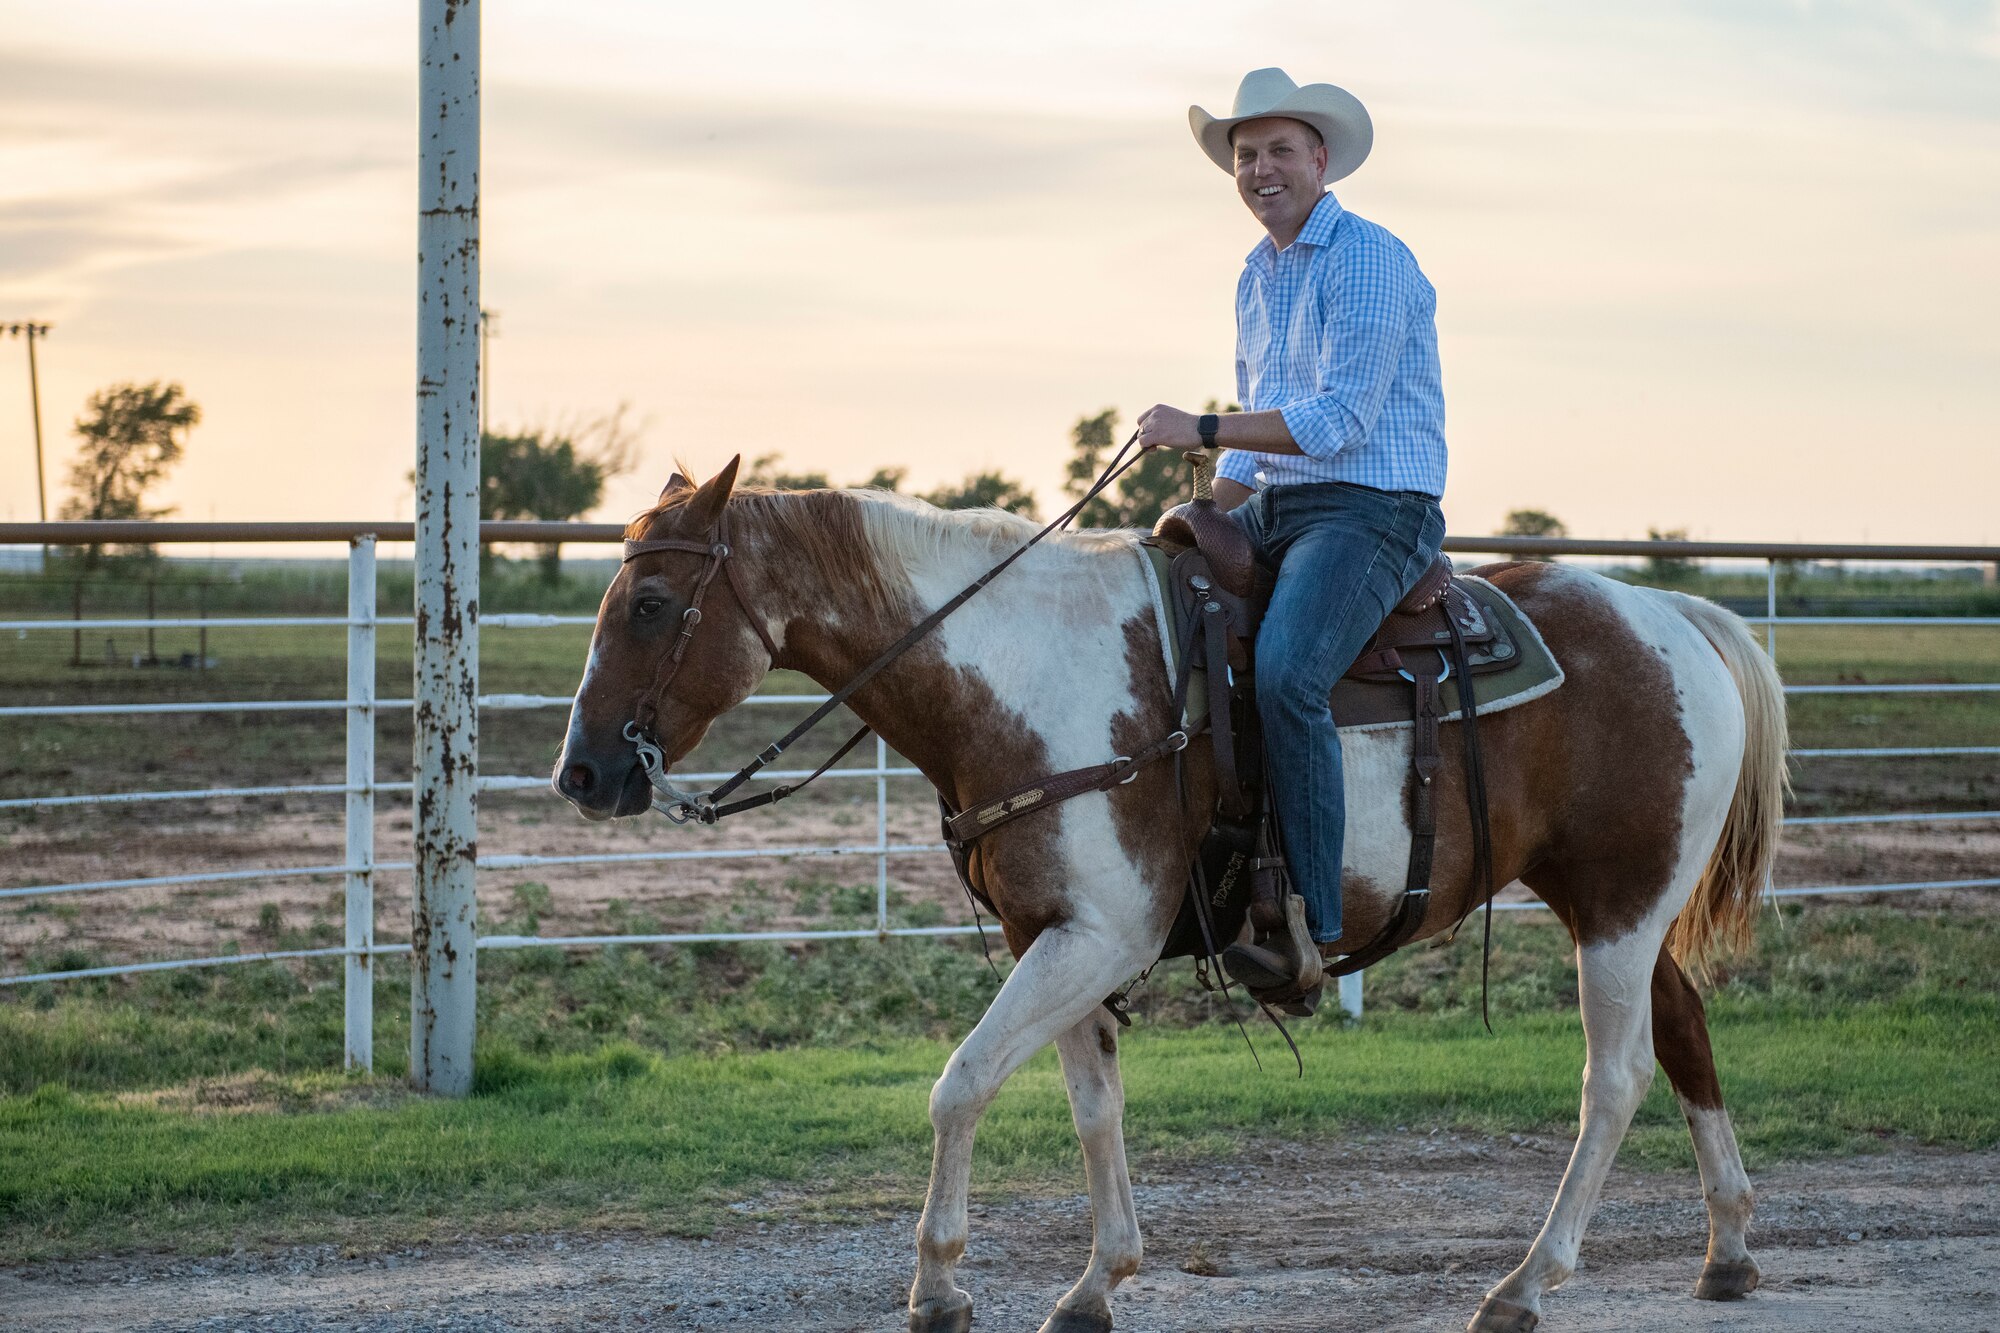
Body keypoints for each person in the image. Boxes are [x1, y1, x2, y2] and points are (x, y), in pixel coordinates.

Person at [1136, 67, 1449, 997]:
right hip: (1282, 505)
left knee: (1286, 672)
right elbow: (1256, 435)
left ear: (1320, 158)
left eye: (1278, 151)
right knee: (1165, 627)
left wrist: (1199, 429)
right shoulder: (1256, 273)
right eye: (1245, 156)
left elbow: (1338, 419)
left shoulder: (1366, 257)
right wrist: (1192, 519)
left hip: (1372, 505)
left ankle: (1312, 919)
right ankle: (1199, 880)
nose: (1261, 170)